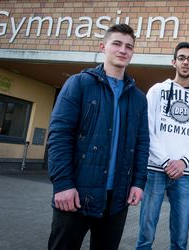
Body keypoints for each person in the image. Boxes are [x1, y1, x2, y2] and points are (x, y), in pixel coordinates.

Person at [47, 24, 150, 250]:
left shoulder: (139, 99)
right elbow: (59, 136)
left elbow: (142, 145)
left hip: (117, 199)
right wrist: (63, 183)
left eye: (129, 46)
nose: (123, 50)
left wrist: (138, 183)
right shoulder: (79, 83)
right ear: (103, 46)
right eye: (117, 43)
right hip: (75, 193)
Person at [136, 42, 189, 250]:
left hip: (185, 173)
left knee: (181, 235)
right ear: (173, 61)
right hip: (156, 169)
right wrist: (167, 161)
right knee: (146, 232)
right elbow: (147, 130)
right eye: (182, 58)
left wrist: (184, 162)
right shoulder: (157, 91)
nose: (186, 62)